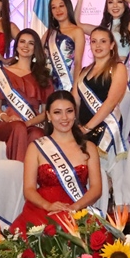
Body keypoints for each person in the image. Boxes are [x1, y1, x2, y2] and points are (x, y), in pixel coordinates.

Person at [10, 91, 103, 232]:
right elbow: (28, 190)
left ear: (75, 113)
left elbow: (96, 189)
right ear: (48, 115)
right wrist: (47, 205)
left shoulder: (89, 147)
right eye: (57, 112)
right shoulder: (36, 147)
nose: (64, 118)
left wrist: (75, 207)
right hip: (42, 210)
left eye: (69, 111)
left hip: (78, 209)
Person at [0, 29, 52, 161]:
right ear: (16, 46)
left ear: (35, 49)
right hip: (7, 125)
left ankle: (32, 177)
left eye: (31, 43)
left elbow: (46, 112)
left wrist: (28, 122)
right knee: (18, 127)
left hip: (31, 124)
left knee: (38, 134)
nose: (25, 46)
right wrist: (6, 118)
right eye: (22, 42)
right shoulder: (2, 73)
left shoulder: (43, 76)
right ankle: (18, 175)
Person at [76, 27, 130, 158]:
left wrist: (87, 128)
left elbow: (111, 101)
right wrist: (75, 126)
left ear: (112, 45)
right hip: (82, 127)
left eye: (103, 41)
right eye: (94, 41)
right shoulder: (84, 71)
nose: (98, 45)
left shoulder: (119, 68)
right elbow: (75, 102)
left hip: (105, 126)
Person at [73, 0, 130, 74]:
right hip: (103, 72)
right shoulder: (103, 29)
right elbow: (77, 25)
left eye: (119, 2)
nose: (115, 5)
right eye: (111, 2)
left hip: (121, 72)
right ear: (107, 7)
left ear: (125, 5)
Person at [44, 0, 85, 91]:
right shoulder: (49, 32)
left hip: (68, 85)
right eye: (53, 8)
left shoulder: (77, 31)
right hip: (47, 85)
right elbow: (39, 54)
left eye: (61, 6)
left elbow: (78, 62)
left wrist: (75, 88)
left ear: (68, 7)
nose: (58, 10)